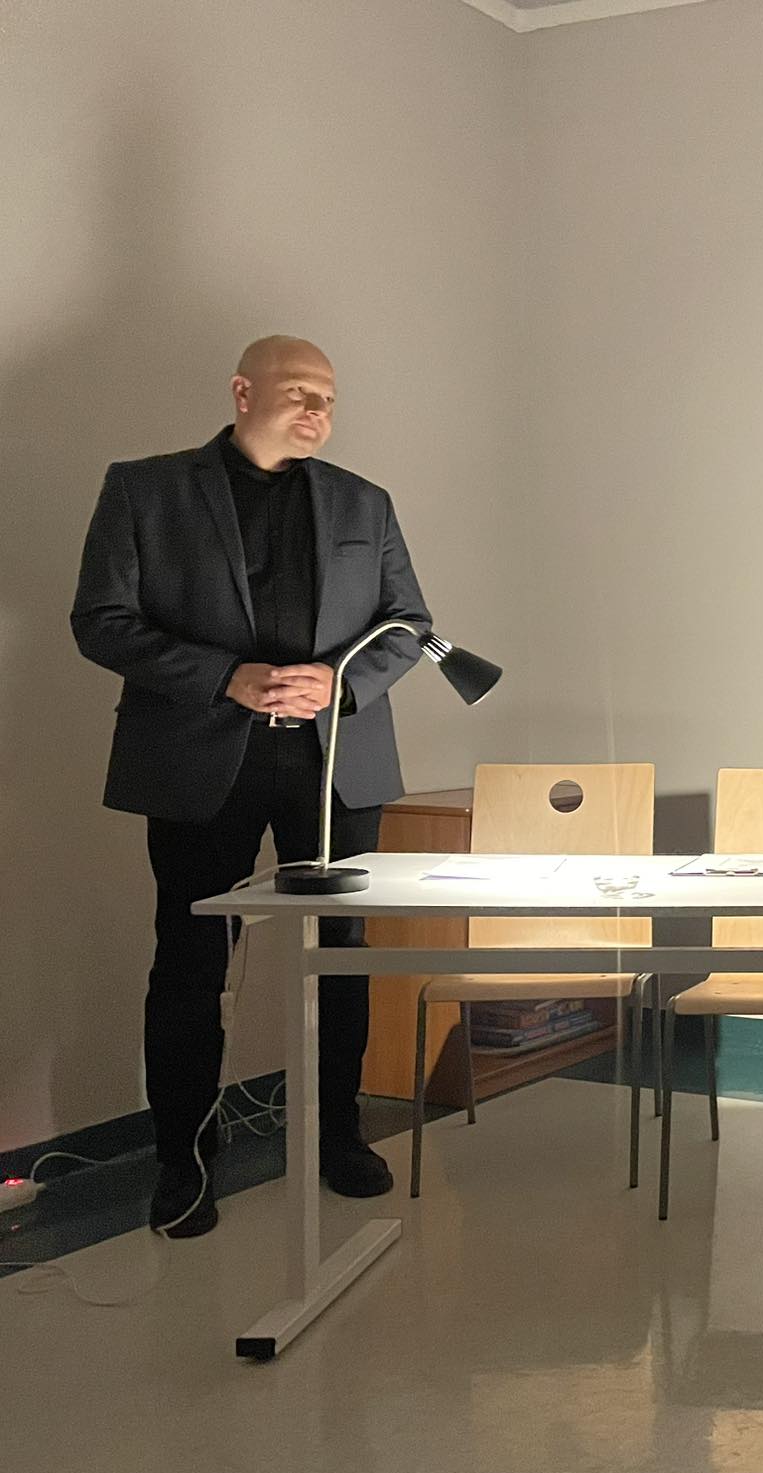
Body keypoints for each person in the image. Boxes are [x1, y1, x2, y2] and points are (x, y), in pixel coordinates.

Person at [71, 336, 432, 1237]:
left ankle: (339, 1133)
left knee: (342, 953)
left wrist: (338, 682)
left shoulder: (364, 501)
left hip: (334, 763)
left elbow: (410, 625)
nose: (317, 410)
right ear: (242, 392)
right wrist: (223, 677)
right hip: (201, 759)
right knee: (191, 959)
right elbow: (100, 620)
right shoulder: (144, 489)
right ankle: (183, 1158)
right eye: (300, 391)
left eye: (329, 399)